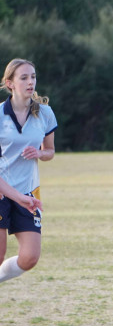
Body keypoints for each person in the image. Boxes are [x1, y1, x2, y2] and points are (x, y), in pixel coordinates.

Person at [0, 58, 57, 284]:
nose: (30, 81)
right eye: (23, 77)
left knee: (30, 257)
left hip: (29, 191)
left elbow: (50, 151)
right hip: (2, 190)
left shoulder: (44, 113)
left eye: (32, 76)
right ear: (10, 83)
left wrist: (40, 153)